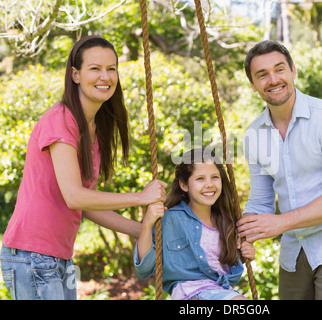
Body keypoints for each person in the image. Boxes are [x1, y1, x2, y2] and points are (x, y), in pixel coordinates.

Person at [0, 36, 167, 300]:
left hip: (58, 258)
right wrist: (141, 198)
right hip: (31, 256)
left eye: (112, 68)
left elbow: (85, 205)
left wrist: (142, 229)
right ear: (75, 75)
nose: (106, 76)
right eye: (95, 68)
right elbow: (74, 196)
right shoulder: (61, 120)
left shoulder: (93, 130)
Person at [236, 40, 322, 300]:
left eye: (279, 69)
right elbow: (261, 201)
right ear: (253, 85)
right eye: (262, 74)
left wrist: (280, 222)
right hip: (294, 252)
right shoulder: (254, 135)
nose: (273, 79)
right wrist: (243, 234)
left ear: (293, 71)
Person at [134, 148, 255, 300]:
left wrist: (245, 253)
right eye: (200, 179)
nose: (209, 184)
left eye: (215, 177)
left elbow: (224, 263)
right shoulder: (171, 219)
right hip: (191, 293)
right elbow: (144, 269)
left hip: (222, 291)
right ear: (184, 185)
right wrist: (147, 224)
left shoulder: (227, 220)